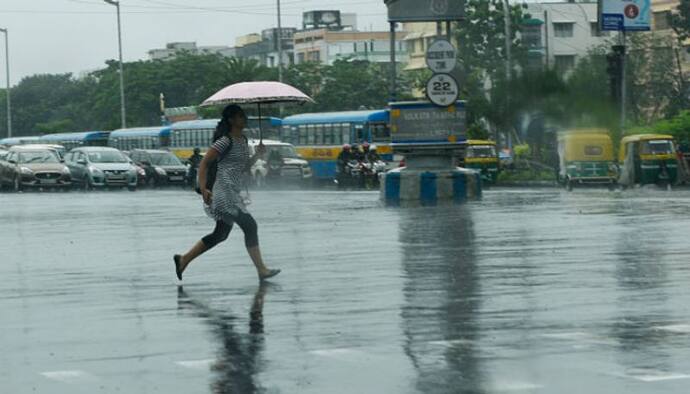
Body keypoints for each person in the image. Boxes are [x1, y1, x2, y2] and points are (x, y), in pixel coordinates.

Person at [174, 104, 281, 282]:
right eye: (240, 116)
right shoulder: (225, 141)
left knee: (221, 234)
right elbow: (204, 164)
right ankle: (261, 270)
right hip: (223, 193)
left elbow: (243, 168)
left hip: (234, 192)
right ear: (231, 120)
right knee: (250, 225)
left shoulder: (243, 140)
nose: (244, 119)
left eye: (244, 116)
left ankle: (183, 259)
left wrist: (257, 155)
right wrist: (203, 189)